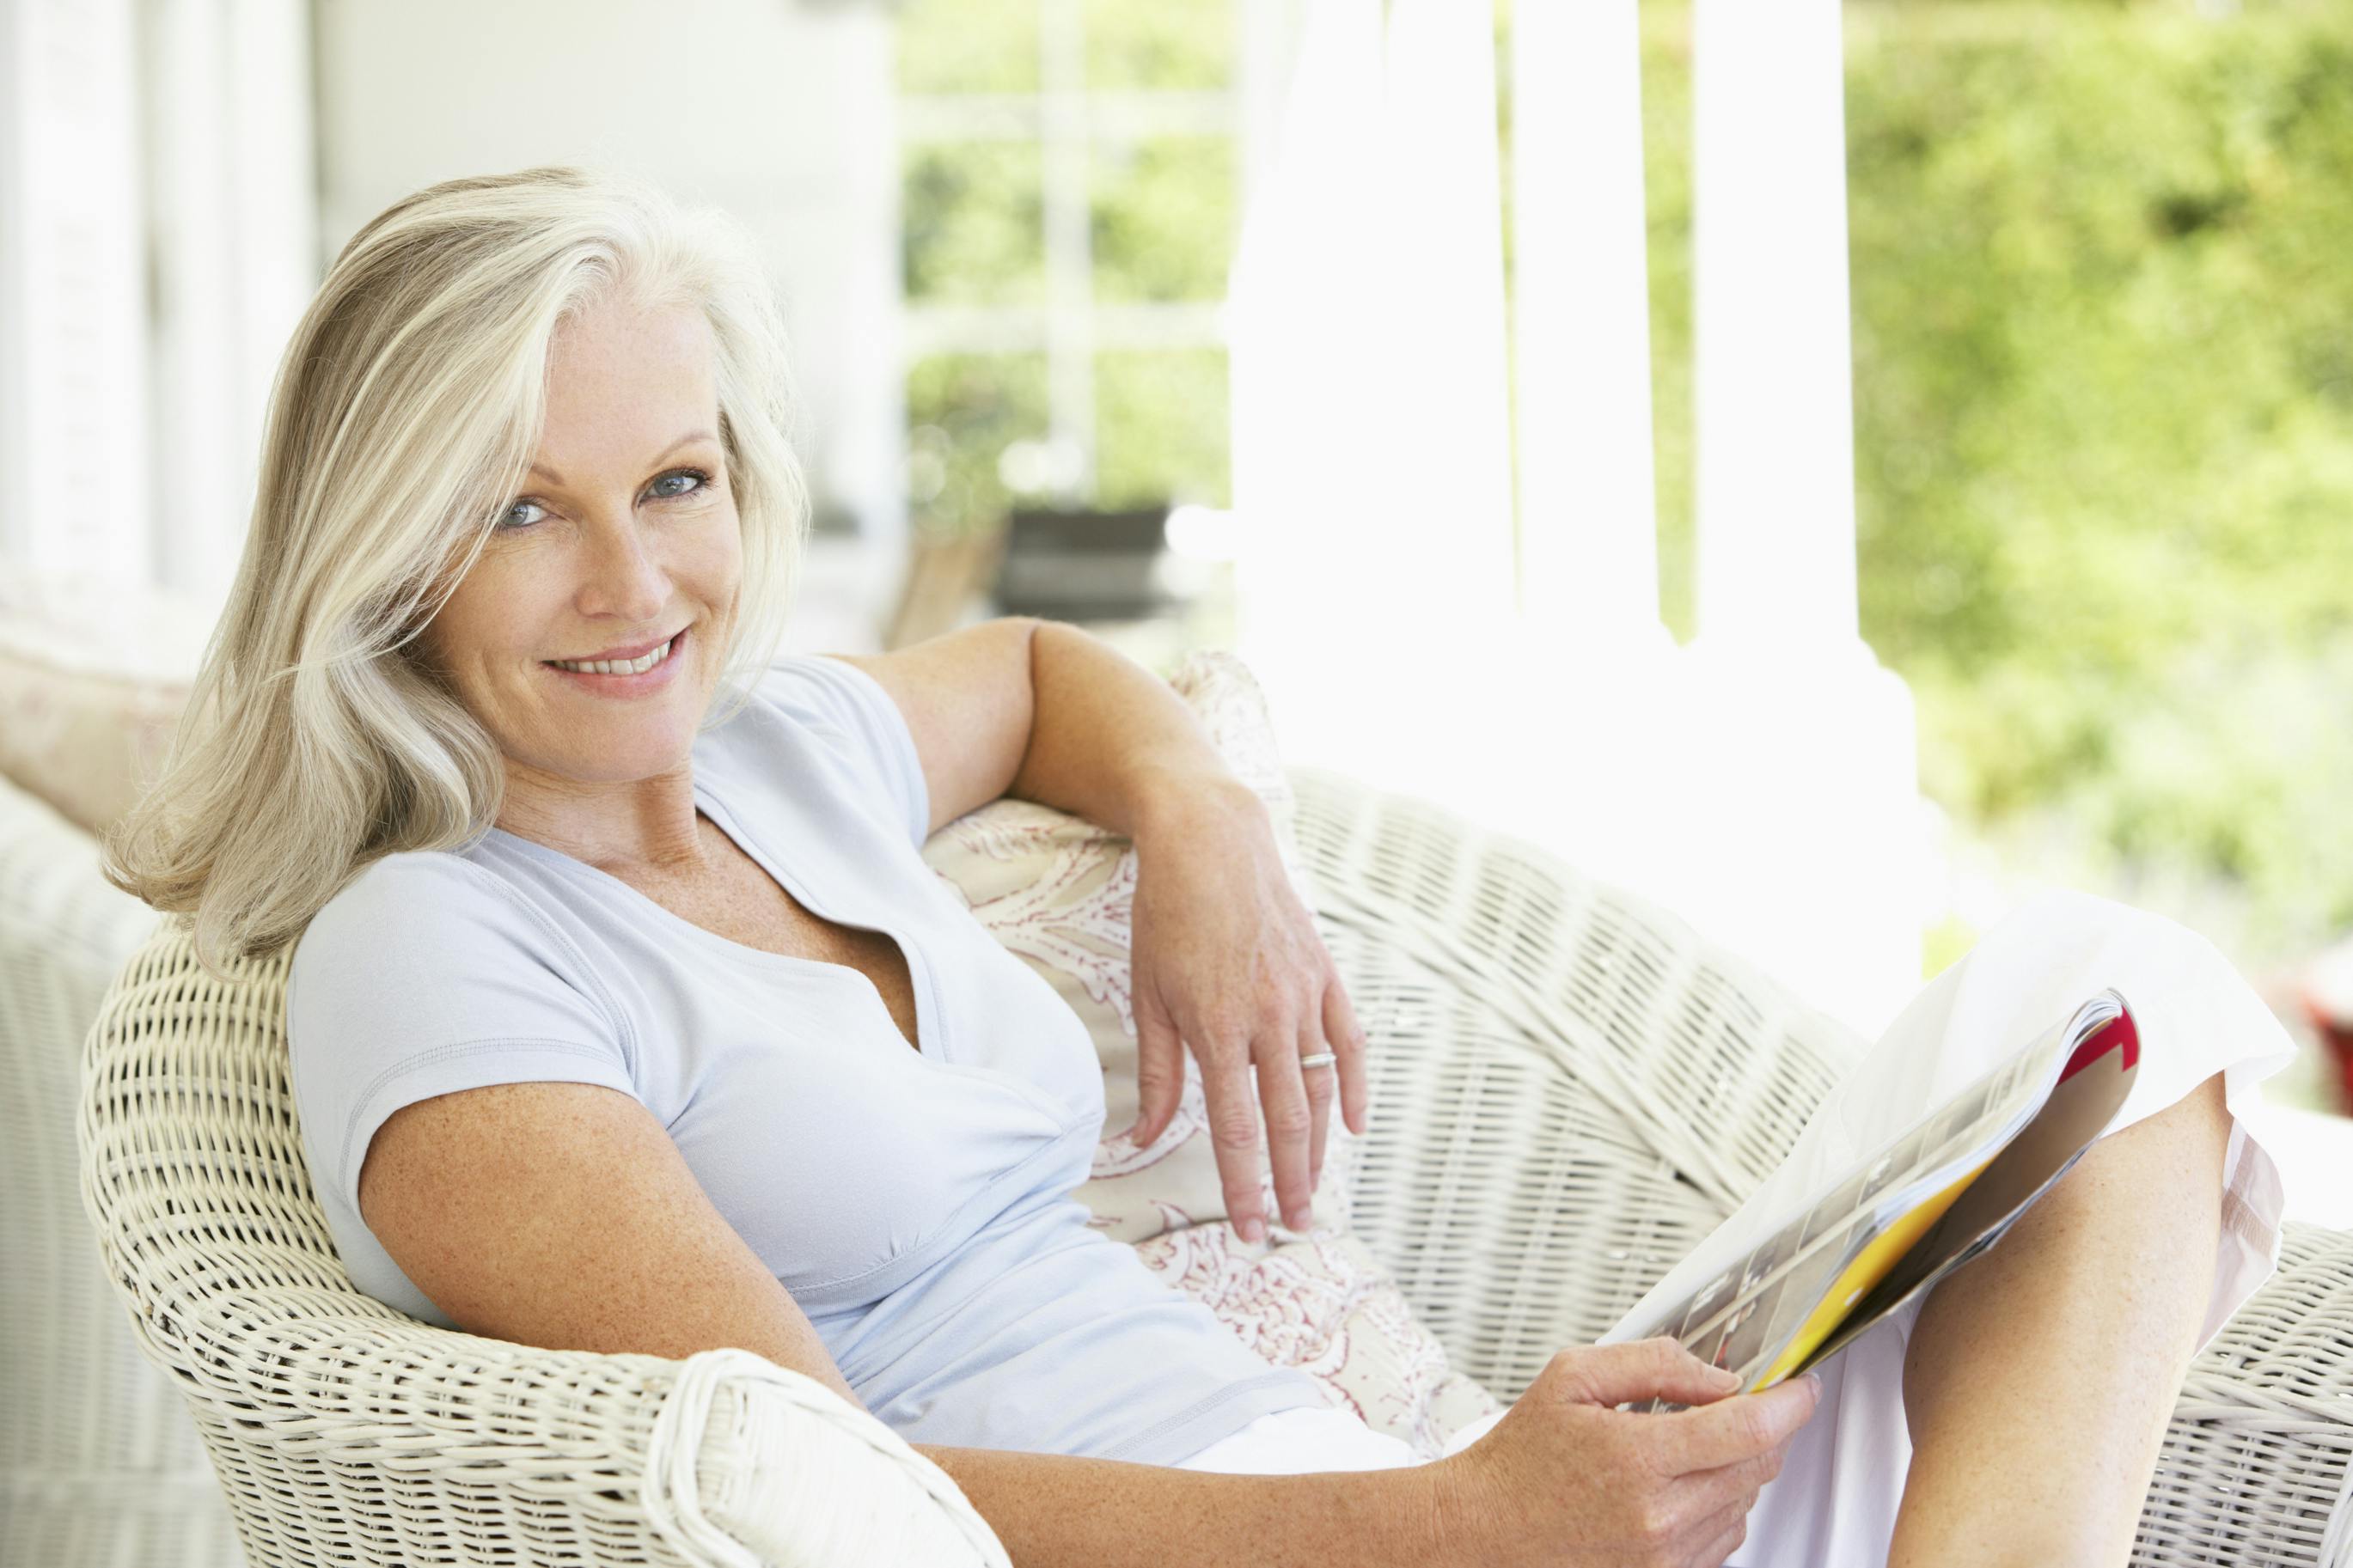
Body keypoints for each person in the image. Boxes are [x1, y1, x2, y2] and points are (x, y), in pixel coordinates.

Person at [101, 166, 2295, 1568]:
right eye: (515, 506)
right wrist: (1449, 1523)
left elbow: (1049, 669)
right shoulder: (437, 955)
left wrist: (1202, 823)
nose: (631, 578)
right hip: (1296, 1543)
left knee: (2119, 996)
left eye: (674, 479)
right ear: (386, 545)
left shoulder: (789, 755)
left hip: (1381, 1484)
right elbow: (830, 1511)